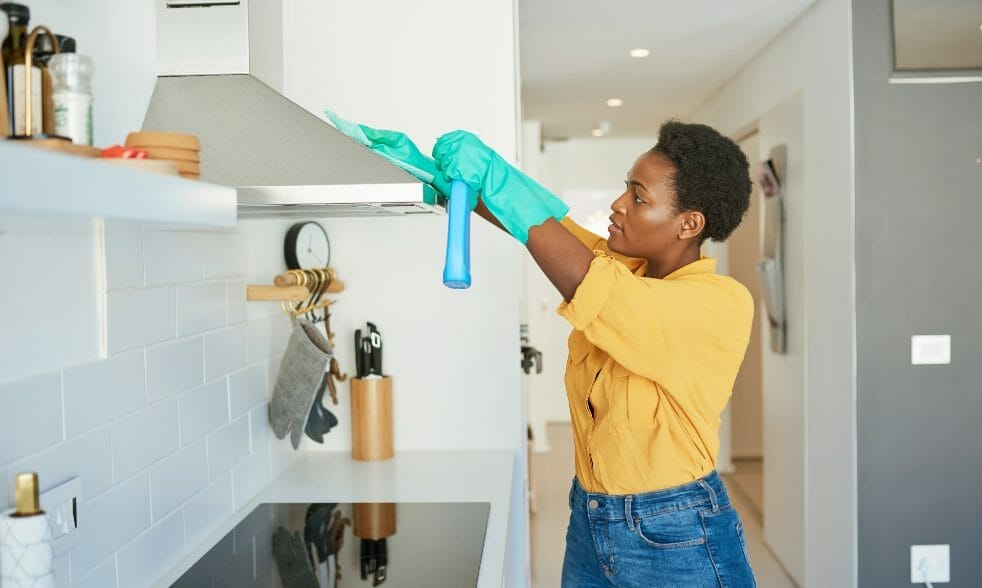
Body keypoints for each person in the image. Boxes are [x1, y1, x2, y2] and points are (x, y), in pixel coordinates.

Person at [354, 117, 756, 587]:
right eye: (626, 188)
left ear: (689, 223)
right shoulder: (623, 266)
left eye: (639, 197)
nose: (618, 203)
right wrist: (434, 175)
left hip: (678, 533)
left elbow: (591, 282)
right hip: (591, 517)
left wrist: (494, 173)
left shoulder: (719, 303)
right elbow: (546, 222)